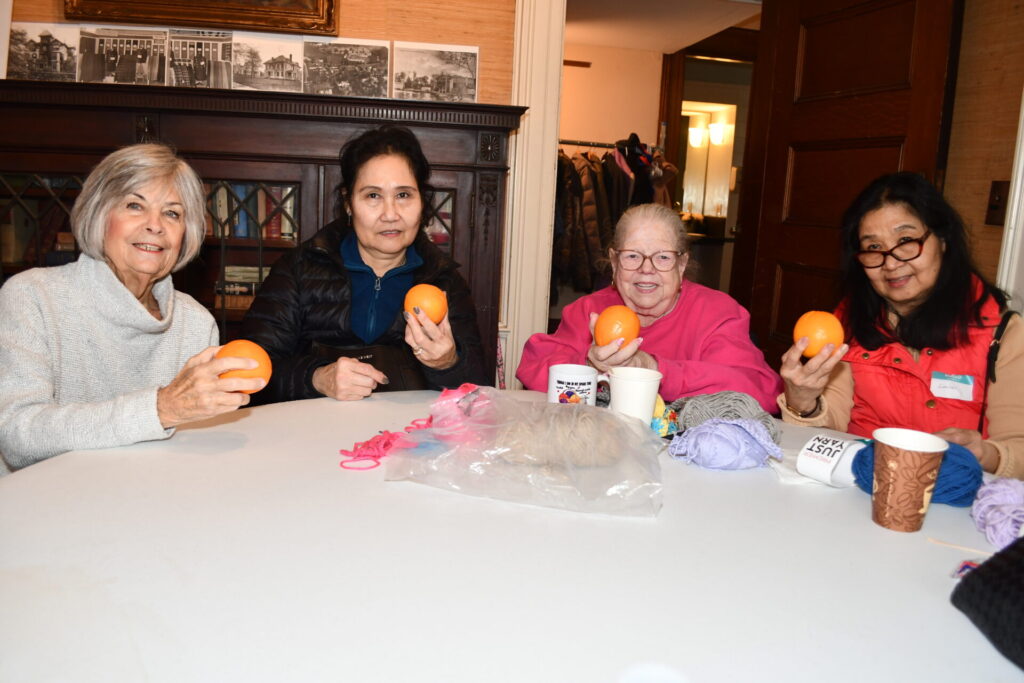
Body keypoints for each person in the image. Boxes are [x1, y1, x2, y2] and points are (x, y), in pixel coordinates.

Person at [0, 144, 264, 472]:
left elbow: (199, 449)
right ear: (99, 214)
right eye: (135, 205)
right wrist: (160, 408)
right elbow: (17, 436)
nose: (155, 225)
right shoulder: (33, 297)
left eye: (172, 213)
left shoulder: (196, 323)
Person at [779, 172, 1024, 479]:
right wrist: (803, 402)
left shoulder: (1002, 335)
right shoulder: (846, 326)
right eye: (873, 247)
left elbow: (1018, 447)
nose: (891, 262)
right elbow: (828, 434)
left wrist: (988, 454)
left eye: (906, 241)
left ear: (943, 240)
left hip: (958, 501)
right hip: (861, 487)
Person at [241, 124, 487, 403]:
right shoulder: (297, 270)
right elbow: (247, 374)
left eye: (403, 195)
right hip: (310, 435)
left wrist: (448, 364)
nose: (390, 214)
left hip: (408, 438)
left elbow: (477, 394)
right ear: (348, 203)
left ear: (422, 201)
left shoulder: (445, 281)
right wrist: (317, 378)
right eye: (373, 196)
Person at [517, 203, 783, 412]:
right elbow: (534, 366)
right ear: (614, 261)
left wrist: (654, 369)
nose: (646, 269)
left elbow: (761, 392)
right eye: (632, 256)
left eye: (663, 257)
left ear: (681, 265)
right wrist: (589, 366)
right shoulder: (589, 310)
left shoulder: (717, 313)